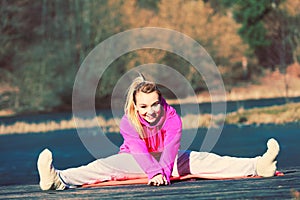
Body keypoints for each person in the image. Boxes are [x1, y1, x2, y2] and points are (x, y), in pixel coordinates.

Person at [37, 74, 280, 190]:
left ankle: (258, 166)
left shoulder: (171, 116)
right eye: (144, 106)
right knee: (103, 167)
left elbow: (173, 146)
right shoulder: (127, 121)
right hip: (136, 160)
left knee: (203, 159)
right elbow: (140, 151)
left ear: (160, 100)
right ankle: (59, 179)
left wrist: (163, 172)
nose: (151, 111)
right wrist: (154, 172)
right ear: (135, 105)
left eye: (154, 104)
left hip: (168, 159)